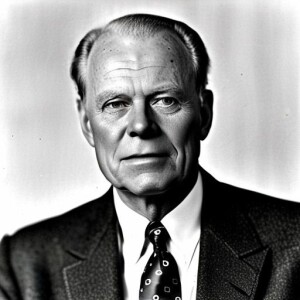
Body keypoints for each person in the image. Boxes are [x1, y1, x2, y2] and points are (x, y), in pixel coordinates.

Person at [0, 13, 300, 300]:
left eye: (165, 100)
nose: (141, 125)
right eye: (116, 103)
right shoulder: (24, 264)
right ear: (87, 123)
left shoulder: (295, 247)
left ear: (204, 113)